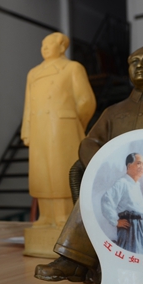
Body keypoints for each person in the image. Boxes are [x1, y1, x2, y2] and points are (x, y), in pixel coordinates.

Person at [35, 45, 143, 283]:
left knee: (111, 189)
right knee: (100, 188)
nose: (139, 65)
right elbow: (90, 142)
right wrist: (103, 167)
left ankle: (77, 260)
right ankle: (76, 260)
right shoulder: (113, 111)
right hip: (121, 180)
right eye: (133, 61)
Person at [21, 32, 96, 228]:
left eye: (49, 44)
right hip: (39, 127)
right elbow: (28, 105)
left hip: (62, 128)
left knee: (61, 171)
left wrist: (73, 122)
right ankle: (45, 215)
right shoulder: (33, 73)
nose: (44, 48)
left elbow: (86, 101)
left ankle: (64, 214)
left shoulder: (72, 68)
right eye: (42, 45)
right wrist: (26, 130)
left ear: (62, 47)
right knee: (41, 172)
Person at [101, 153, 143, 254]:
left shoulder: (136, 185)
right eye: (138, 163)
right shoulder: (122, 183)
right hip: (132, 227)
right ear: (129, 166)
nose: (142, 167)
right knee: (133, 256)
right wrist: (115, 221)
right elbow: (106, 200)